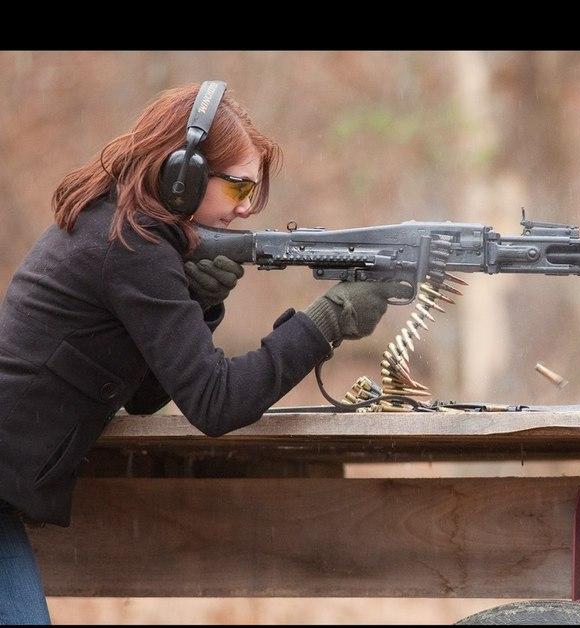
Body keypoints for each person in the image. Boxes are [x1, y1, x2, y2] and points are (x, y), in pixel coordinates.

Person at [0, 81, 404, 623]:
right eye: (238, 187)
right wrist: (327, 321)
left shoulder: (120, 227)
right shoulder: (133, 246)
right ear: (182, 176)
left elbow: (144, 397)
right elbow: (217, 404)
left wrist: (200, 304)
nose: (245, 208)